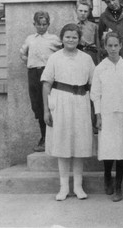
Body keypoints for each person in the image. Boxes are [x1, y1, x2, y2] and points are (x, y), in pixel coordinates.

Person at [41, 23, 95, 201]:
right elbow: (47, 84)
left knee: (79, 145)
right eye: (67, 36)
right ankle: (63, 187)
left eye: (74, 37)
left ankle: (78, 186)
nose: (71, 40)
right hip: (60, 102)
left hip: (80, 102)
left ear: (79, 40)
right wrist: (46, 111)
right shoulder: (55, 58)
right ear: (62, 38)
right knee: (63, 144)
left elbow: (94, 85)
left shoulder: (86, 59)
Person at [90, 32, 123, 202]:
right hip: (107, 113)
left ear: (120, 46)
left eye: (115, 45)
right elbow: (95, 94)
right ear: (105, 46)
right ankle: (107, 175)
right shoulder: (100, 68)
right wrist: (98, 115)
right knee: (109, 148)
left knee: (122, 150)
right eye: (109, 45)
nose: (112, 49)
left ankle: (118, 186)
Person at [19, 11, 61, 152]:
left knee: (49, 105)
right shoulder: (30, 39)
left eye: (44, 24)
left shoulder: (54, 39)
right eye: (39, 24)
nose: (42, 27)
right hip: (33, 73)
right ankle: (44, 137)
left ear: (48, 24)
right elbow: (22, 53)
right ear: (34, 24)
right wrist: (30, 62)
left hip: (47, 73)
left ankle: (54, 137)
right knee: (37, 105)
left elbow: (62, 53)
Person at [76, 0, 99, 65]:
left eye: (85, 11)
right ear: (76, 11)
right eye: (80, 11)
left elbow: (98, 45)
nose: (83, 13)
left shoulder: (94, 26)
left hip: (90, 55)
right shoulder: (72, 25)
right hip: (76, 56)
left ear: (89, 13)